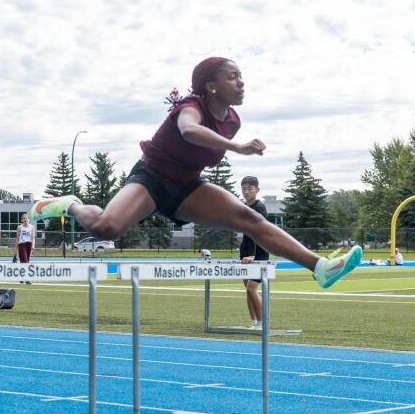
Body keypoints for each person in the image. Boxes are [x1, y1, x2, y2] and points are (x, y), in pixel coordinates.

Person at [30, 57, 362, 289]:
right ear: (211, 86)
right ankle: (71, 203)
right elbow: (189, 132)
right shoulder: (190, 107)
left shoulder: (233, 120)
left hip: (188, 185)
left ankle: (319, 267)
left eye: (241, 75)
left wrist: (233, 144)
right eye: (232, 76)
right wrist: (239, 148)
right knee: (107, 227)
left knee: (251, 220)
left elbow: (200, 152)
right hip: (152, 178)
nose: (241, 81)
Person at [238, 176, 269, 328]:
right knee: (248, 290)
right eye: (244, 189)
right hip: (245, 251)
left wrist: (253, 255)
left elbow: (257, 232)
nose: (246, 192)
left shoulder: (259, 207)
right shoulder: (243, 207)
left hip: (259, 254)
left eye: (250, 189)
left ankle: (263, 324)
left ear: (257, 190)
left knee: (252, 289)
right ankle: (254, 322)